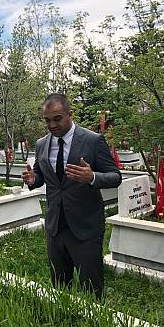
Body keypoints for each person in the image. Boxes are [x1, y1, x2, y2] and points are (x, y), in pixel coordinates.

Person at [22, 93, 121, 299]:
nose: (51, 125)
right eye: (47, 120)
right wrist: (33, 179)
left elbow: (115, 176)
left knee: (91, 290)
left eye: (57, 118)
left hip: (86, 227)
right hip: (55, 227)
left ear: (70, 114)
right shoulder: (41, 144)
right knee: (59, 287)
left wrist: (92, 177)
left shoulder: (93, 141)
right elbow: (42, 175)